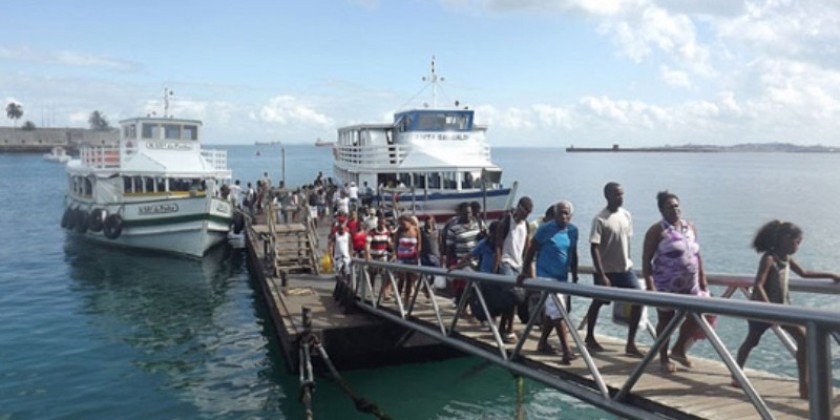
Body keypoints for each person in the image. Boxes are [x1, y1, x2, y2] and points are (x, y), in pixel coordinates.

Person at [733, 220, 840, 399]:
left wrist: (831, 275)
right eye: (797, 242)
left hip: (783, 309)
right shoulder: (769, 258)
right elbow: (758, 285)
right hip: (762, 310)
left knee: (804, 339)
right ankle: (736, 372)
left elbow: (805, 273)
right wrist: (769, 309)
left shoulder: (786, 259)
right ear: (785, 239)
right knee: (752, 341)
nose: (798, 246)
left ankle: (803, 385)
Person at [641, 190, 707, 373]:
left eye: (677, 206)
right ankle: (663, 357)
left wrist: (702, 278)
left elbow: (697, 253)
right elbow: (646, 259)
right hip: (666, 284)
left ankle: (678, 350)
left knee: (697, 315)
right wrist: (650, 284)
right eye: (670, 207)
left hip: (691, 283)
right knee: (666, 320)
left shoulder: (690, 227)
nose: (675, 210)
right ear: (662, 210)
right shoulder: (657, 230)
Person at [585, 182, 644, 357]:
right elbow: (594, 247)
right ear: (608, 196)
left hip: (625, 269)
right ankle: (589, 336)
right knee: (599, 301)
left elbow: (627, 241)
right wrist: (601, 274)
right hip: (606, 271)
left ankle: (630, 343)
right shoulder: (600, 219)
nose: (620, 198)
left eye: (622, 194)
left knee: (638, 299)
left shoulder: (626, 215)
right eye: (617, 194)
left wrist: (628, 260)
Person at [517, 201, 579, 365]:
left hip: (562, 277)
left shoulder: (573, 231)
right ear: (555, 214)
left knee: (554, 312)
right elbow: (531, 249)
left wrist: (575, 274)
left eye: (566, 213)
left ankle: (543, 342)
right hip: (546, 276)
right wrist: (524, 272)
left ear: (571, 215)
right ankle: (566, 351)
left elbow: (572, 252)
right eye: (560, 213)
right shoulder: (545, 229)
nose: (563, 216)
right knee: (558, 311)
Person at [494, 196, 533, 337]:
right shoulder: (505, 223)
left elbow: (527, 248)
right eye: (525, 212)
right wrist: (496, 267)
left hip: (518, 265)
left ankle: (504, 327)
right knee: (512, 295)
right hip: (506, 262)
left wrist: (529, 269)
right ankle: (507, 328)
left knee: (515, 298)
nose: (526, 215)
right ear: (519, 207)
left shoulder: (526, 225)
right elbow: (498, 245)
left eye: (529, 213)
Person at [394, 214, 422, 302]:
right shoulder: (399, 231)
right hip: (401, 257)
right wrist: (395, 254)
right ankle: (398, 297)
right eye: (400, 224)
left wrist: (417, 255)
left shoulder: (416, 230)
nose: (402, 225)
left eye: (403, 223)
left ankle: (406, 299)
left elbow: (419, 244)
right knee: (401, 278)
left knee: (410, 279)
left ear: (409, 222)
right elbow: (395, 243)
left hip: (412, 257)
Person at [366, 215, 394, 299]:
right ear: (377, 223)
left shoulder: (387, 232)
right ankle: (371, 291)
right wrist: (368, 253)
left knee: (384, 275)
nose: (382, 225)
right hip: (374, 256)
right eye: (380, 223)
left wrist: (394, 252)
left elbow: (389, 244)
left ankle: (384, 293)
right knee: (372, 275)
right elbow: (367, 243)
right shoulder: (372, 232)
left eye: (383, 223)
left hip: (383, 256)